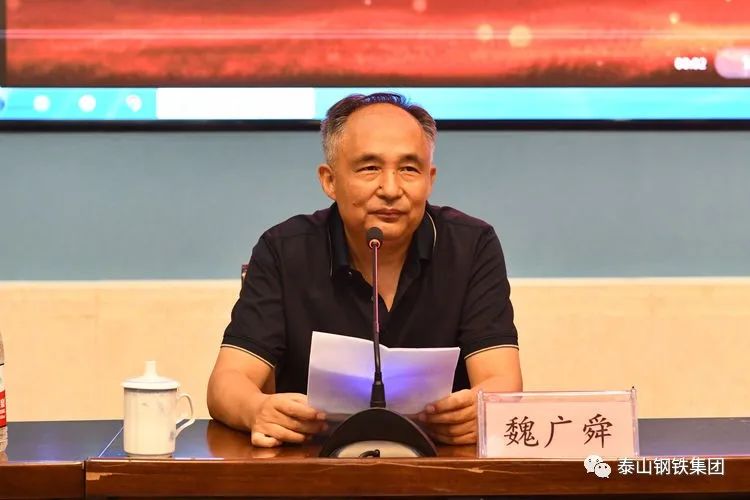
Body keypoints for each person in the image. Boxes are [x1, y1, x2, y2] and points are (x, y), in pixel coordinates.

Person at [207, 92, 522, 448]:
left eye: (409, 169)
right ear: (329, 180)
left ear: (430, 179)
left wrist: (480, 409)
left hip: (440, 465)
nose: (391, 189)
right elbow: (227, 383)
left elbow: (502, 381)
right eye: (370, 168)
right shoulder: (285, 250)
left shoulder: (471, 246)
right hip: (314, 466)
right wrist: (257, 409)